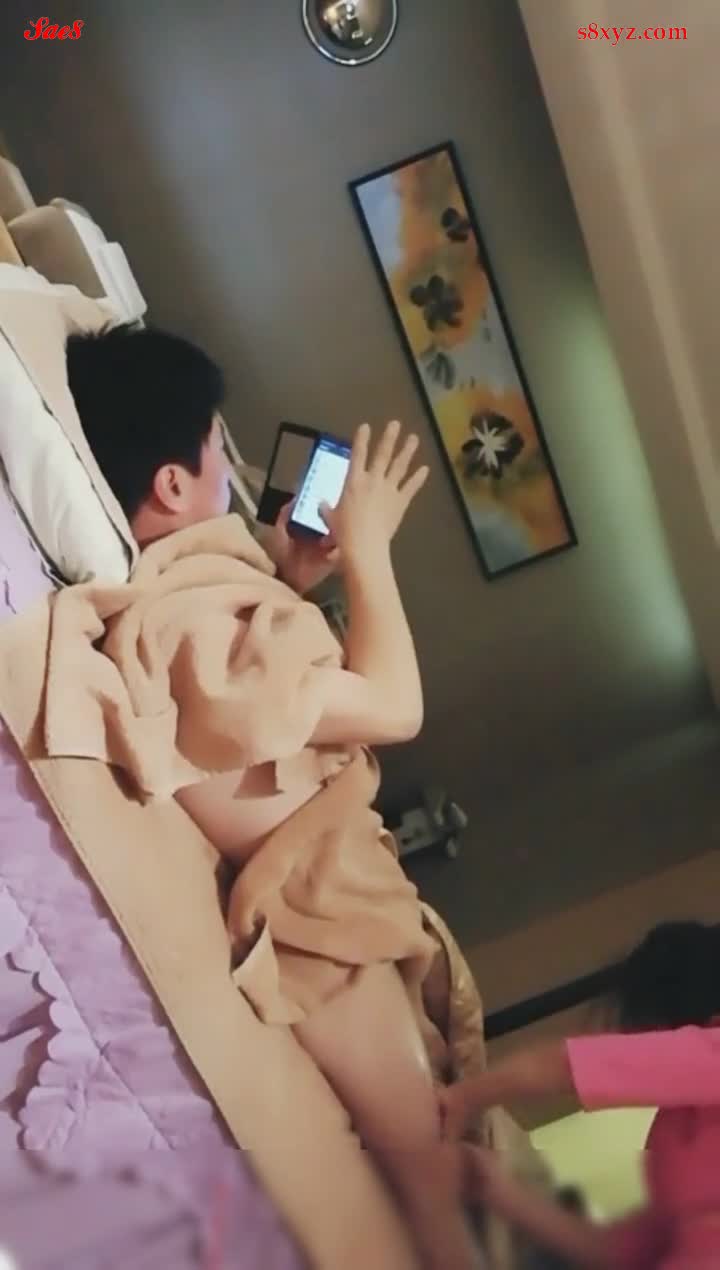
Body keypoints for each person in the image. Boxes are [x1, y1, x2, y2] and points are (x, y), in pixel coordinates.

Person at [66, 323, 481, 1270]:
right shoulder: (190, 622)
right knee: (430, 1171)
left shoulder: (203, 600)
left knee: (439, 1153)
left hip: (329, 893)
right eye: (217, 446)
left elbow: (267, 711)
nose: (231, 464)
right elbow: (395, 706)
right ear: (173, 486)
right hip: (315, 915)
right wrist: (368, 552)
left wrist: (290, 578)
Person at [442, 921, 720, 1269]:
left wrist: (464, 1097)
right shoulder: (671, 1132)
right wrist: (497, 1190)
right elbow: (624, 1251)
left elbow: (569, 1067)